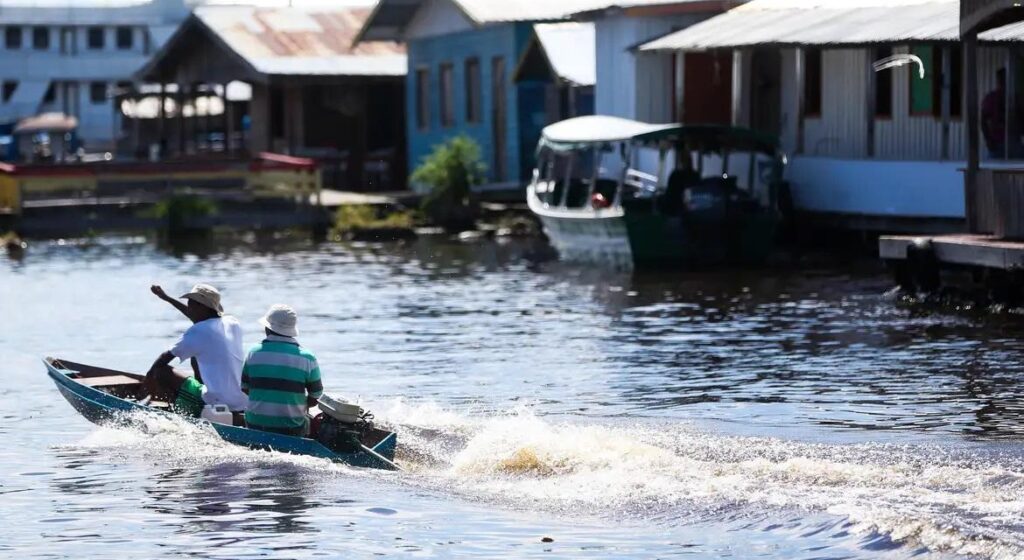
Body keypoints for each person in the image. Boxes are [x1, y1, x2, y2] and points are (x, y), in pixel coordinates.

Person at [146, 283, 248, 418]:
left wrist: (147, 382)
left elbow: (164, 358)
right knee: (196, 353)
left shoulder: (198, 331)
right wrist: (167, 298)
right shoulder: (232, 323)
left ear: (201, 307)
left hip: (215, 401)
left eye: (190, 305)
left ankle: (181, 413)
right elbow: (197, 317)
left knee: (160, 371)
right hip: (240, 401)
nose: (188, 308)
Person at [241, 305, 323, 436]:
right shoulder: (307, 358)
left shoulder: (253, 353)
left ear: (267, 328)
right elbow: (316, 396)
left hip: (255, 424)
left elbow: (245, 388)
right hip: (292, 428)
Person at [982, 69, 1008, 159]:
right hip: (997, 143)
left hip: (1014, 143)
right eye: (1002, 79)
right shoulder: (991, 98)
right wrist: (989, 140)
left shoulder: (1015, 98)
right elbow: (983, 120)